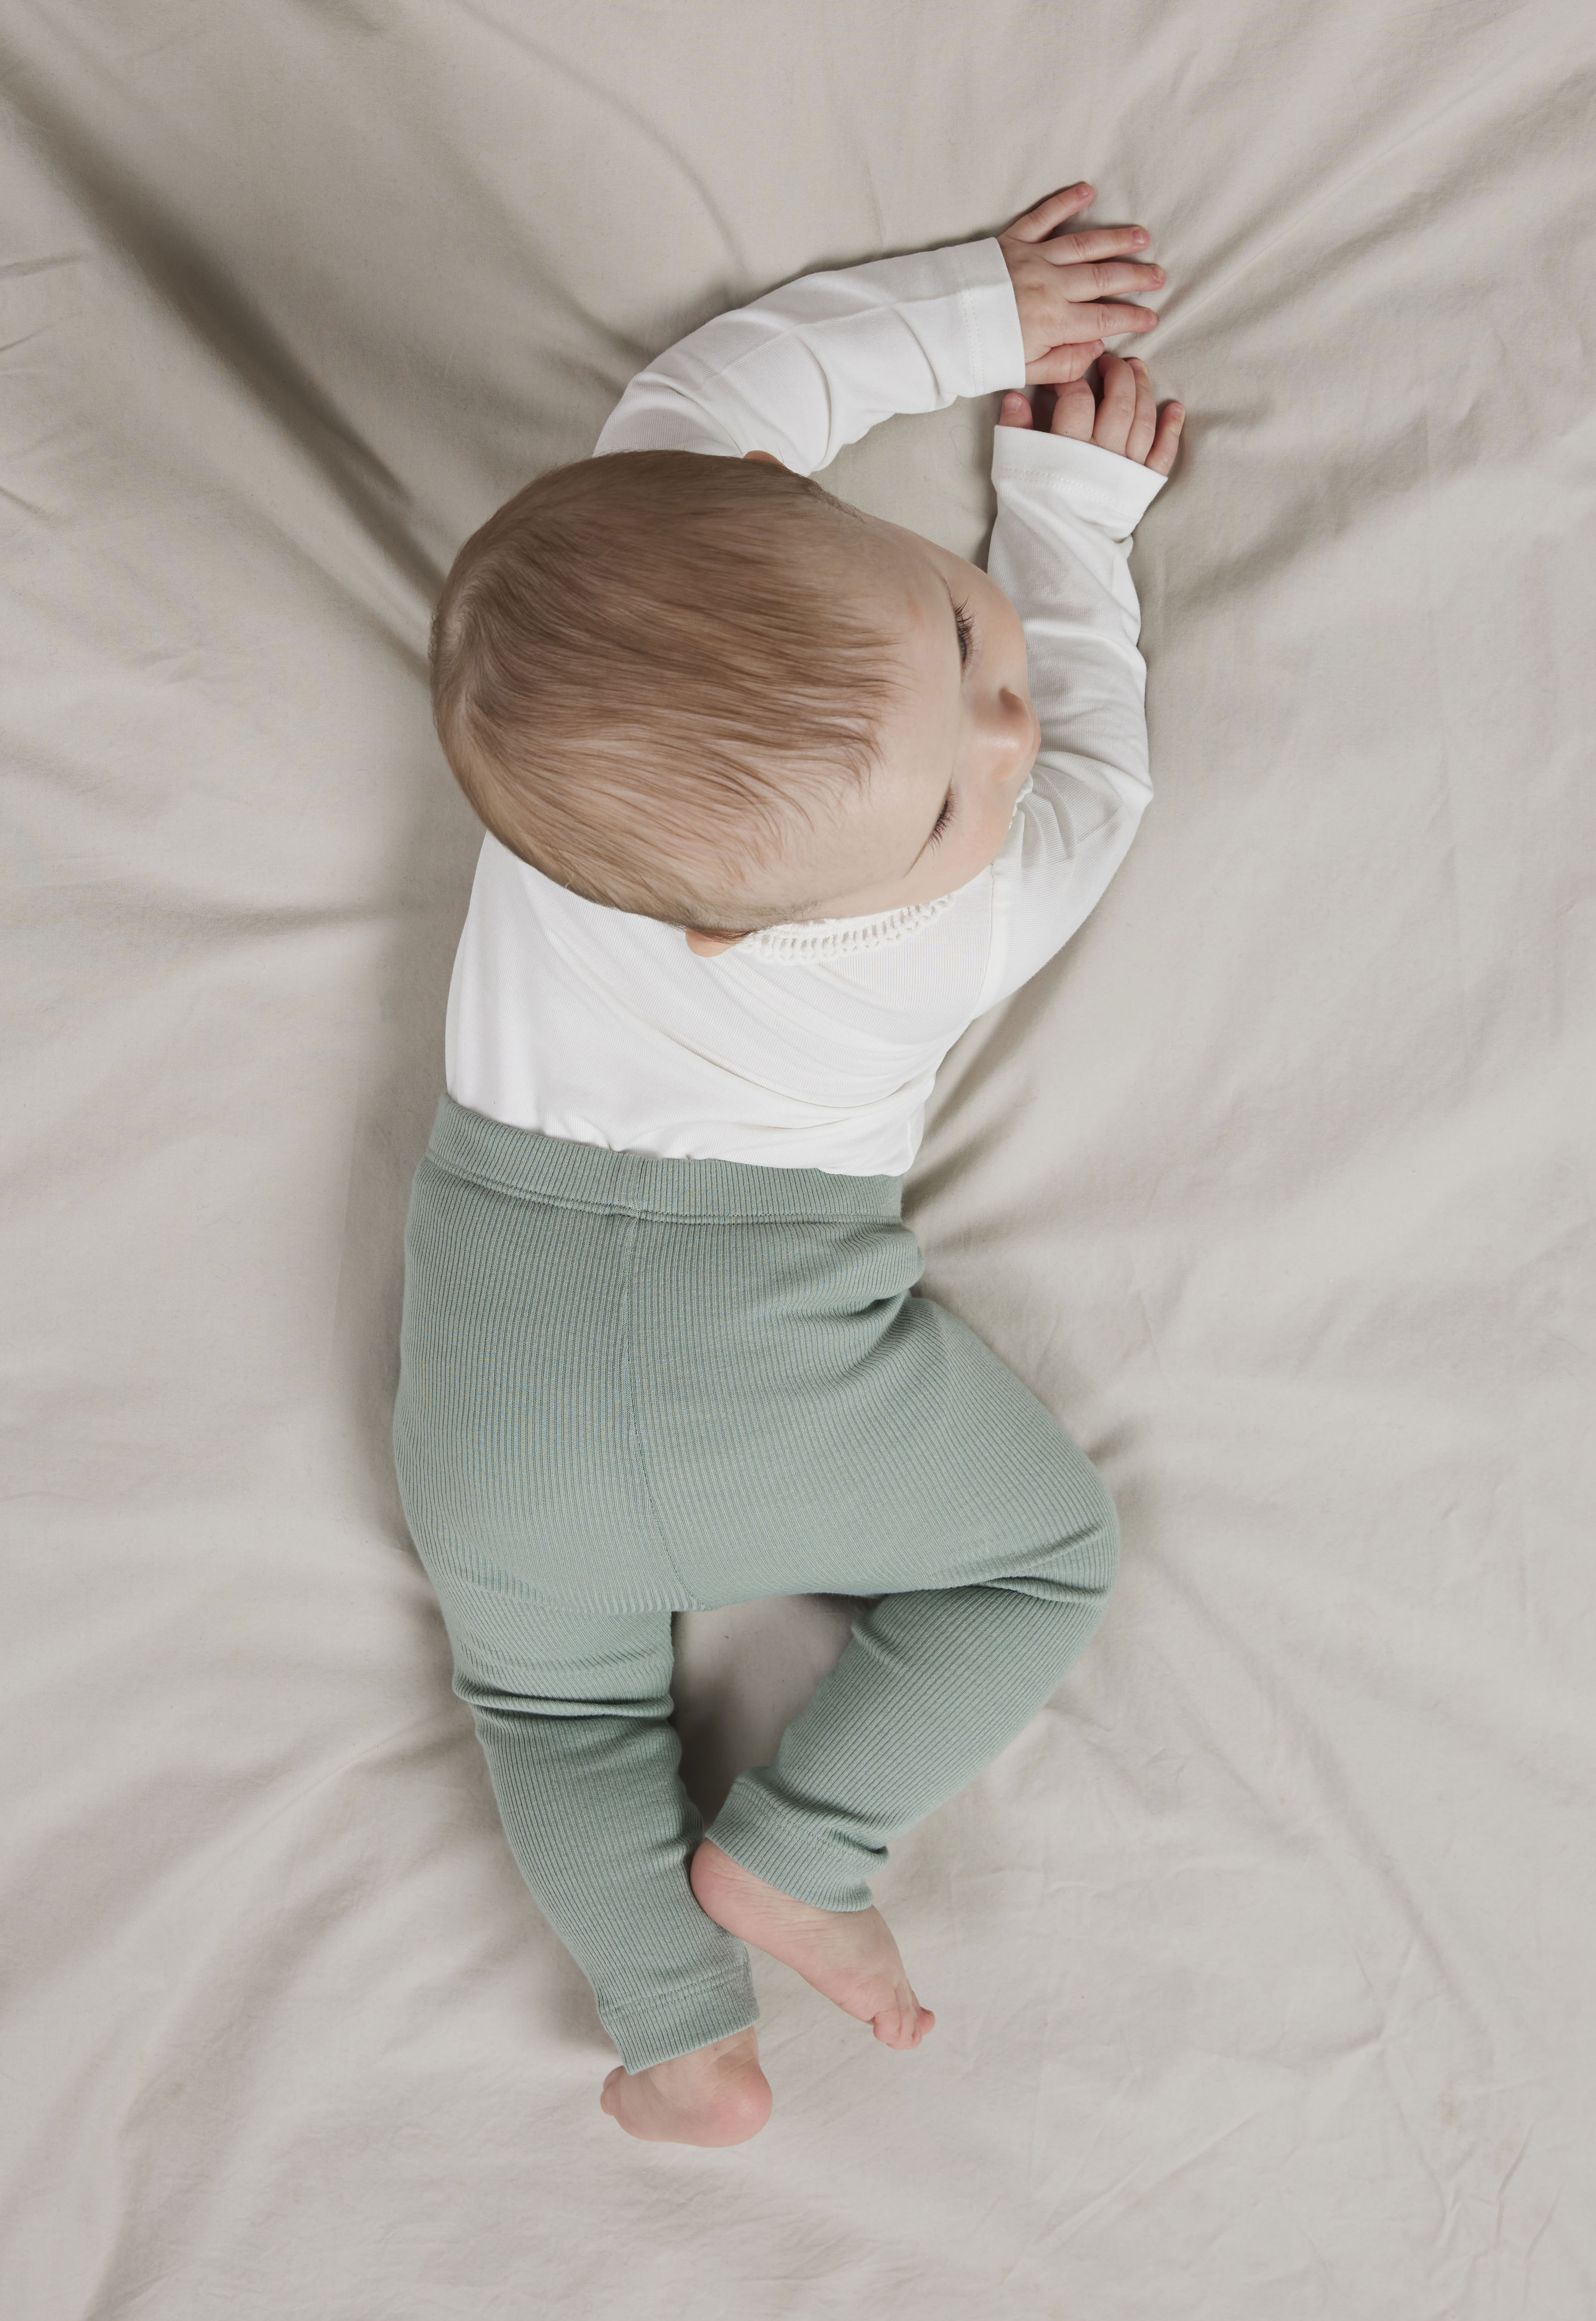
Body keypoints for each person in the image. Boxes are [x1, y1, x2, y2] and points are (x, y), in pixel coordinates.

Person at [395, 181, 1184, 2147]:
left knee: (554, 1713)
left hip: (500, 1407)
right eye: (952, 797)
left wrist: (974, 309)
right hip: (779, 1374)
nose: (1005, 741)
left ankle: (679, 2034)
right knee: (1040, 1559)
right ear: (733, 925)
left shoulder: (595, 779)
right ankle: (797, 1848)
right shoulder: (958, 925)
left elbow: (720, 400)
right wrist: (1053, 519)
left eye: (960, 641)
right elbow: (1098, 773)